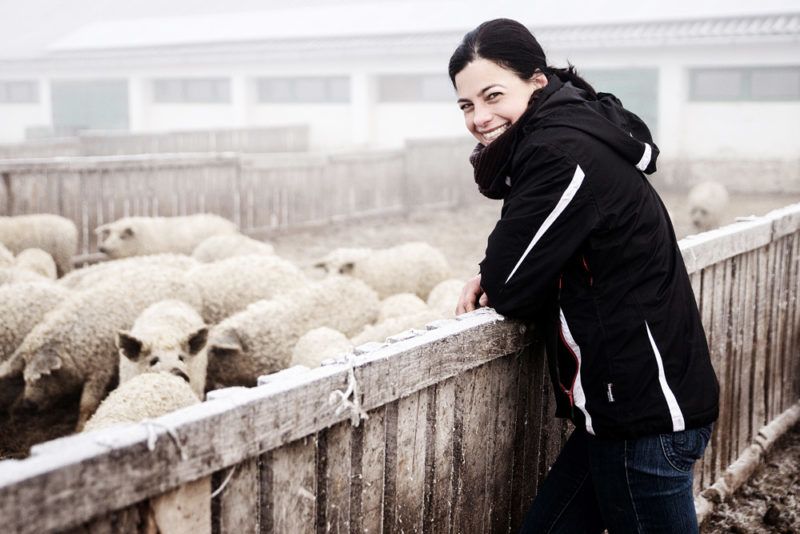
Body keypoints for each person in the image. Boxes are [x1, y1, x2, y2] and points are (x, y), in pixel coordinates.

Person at [449, 19, 719, 533]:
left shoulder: (559, 153)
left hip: (643, 419)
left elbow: (510, 284)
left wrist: (489, 275)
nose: (480, 118)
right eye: (466, 105)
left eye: (493, 95)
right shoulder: (575, 132)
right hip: (626, 412)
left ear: (536, 81)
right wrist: (493, 271)